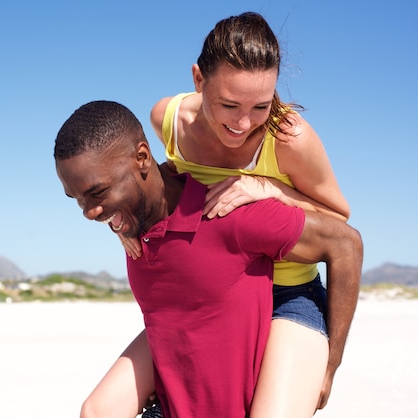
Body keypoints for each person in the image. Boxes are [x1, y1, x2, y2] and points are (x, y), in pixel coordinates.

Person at [82, 12, 356, 418]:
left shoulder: (289, 138)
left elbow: (338, 220)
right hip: (212, 295)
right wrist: (125, 222)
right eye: (228, 104)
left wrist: (270, 188)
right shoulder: (168, 119)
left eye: (261, 105)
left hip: (288, 297)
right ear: (198, 79)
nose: (243, 123)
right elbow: (158, 181)